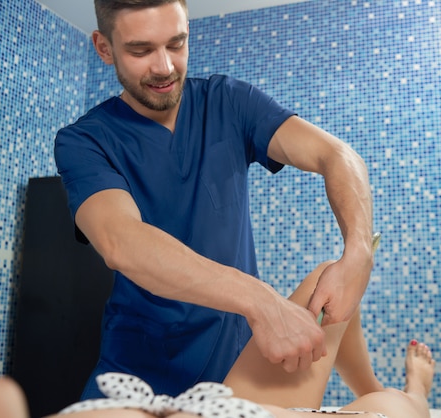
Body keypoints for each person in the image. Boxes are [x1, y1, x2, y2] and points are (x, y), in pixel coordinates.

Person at [53, 0, 374, 400]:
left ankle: (387, 391)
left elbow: (337, 156)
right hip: (134, 375)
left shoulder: (230, 103)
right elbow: (122, 241)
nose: (165, 67)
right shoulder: (85, 141)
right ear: (104, 48)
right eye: (141, 50)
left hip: (238, 373)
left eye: (177, 43)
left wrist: (359, 251)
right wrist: (260, 299)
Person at [0, 260, 436, 418]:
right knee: (402, 409)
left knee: (331, 283)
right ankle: (413, 390)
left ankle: (370, 388)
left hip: (218, 407)